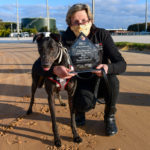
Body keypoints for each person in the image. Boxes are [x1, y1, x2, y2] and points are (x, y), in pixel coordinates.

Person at [53, 3, 126, 136]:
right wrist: (56, 69)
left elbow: (121, 64)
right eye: (75, 21)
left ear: (90, 20)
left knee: (113, 81)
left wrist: (107, 67)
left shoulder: (102, 35)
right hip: (79, 83)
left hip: (100, 80)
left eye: (84, 20)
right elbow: (48, 64)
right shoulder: (64, 39)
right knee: (83, 103)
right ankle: (79, 111)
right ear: (69, 23)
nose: (80, 24)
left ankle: (109, 116)